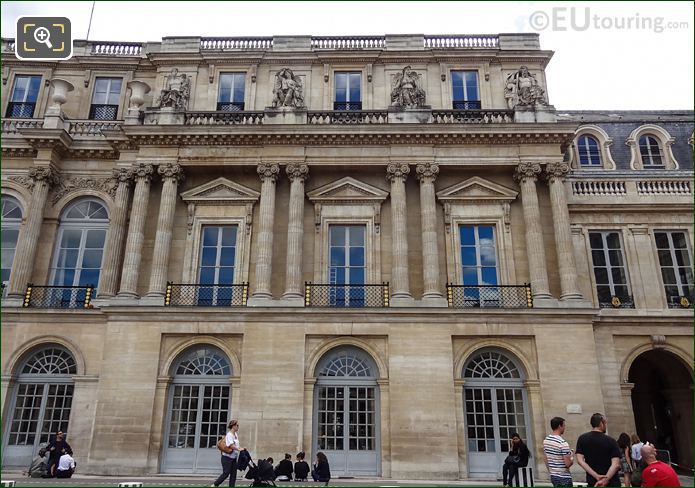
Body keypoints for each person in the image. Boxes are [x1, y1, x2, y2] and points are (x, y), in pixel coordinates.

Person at [575, 413, 621, 487]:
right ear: (601, 423)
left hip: (593, 481)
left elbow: (580, 461)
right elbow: (616, 465)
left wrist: (596, 476)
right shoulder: (611, 441)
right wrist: (606, 479)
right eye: (605, 423)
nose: (606, 425)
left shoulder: (582, 439)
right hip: (612, 482)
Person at [212, 419, 245, 487]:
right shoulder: (229, 435)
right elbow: (230, 445)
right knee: (226, 473)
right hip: (227, 458)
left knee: (233, 475)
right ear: (233, 426)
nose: (238, 427)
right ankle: (215, 485)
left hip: (233, 458)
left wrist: (242, 448)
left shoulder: (235, 434)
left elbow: (236, 445)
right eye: (237, 425)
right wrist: (238, 449)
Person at [543, 416, 574, 487]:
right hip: (564, 477)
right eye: (564, 426)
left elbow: (545, 458)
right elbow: (568, 464)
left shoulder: (546, 441)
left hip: (553, 476)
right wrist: (572, 456)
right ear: (560, 426)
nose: (564, 428)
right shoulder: (562, 443)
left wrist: (551, 471)